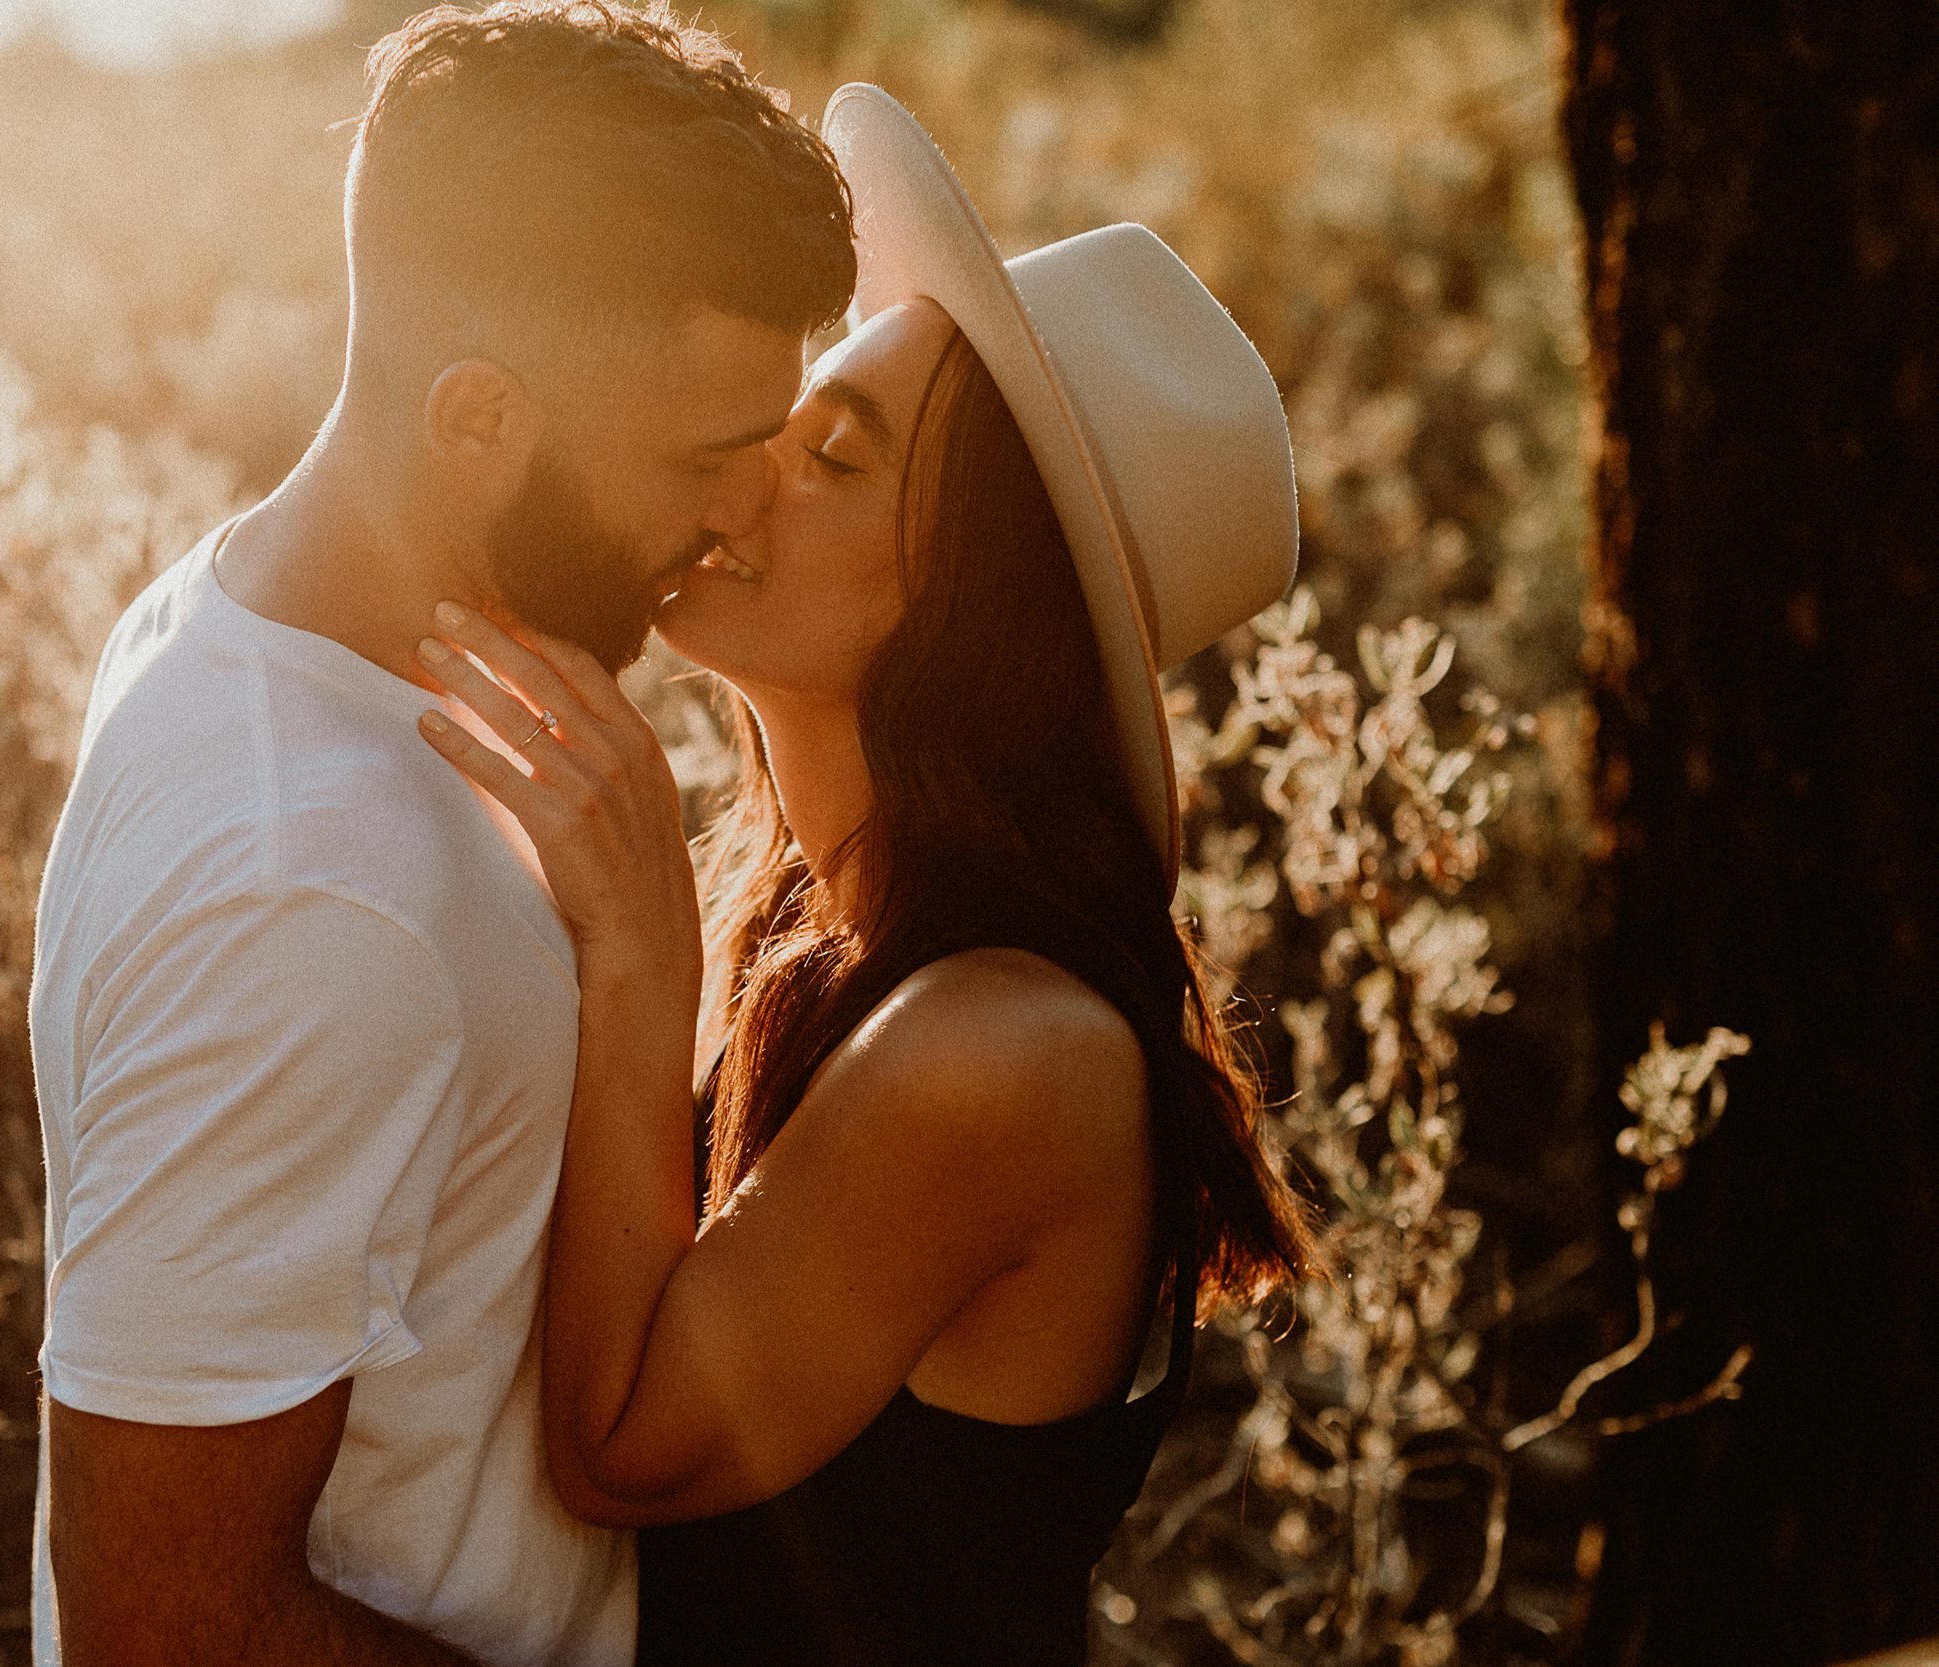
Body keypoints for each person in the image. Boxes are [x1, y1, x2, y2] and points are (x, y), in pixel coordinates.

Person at [411, 85, 1321, 1665]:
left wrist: (633, 966)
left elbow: (619, 1444)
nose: (749, 464)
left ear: (979, 605)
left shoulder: (998, 1054)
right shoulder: (788, 907)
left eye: (833, 456)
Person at [24, 6, 852, 1664]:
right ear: (479, 420)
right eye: (705, 457)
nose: (747, 512)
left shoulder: (244, 620)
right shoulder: (309, 889)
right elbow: (163, 1629)